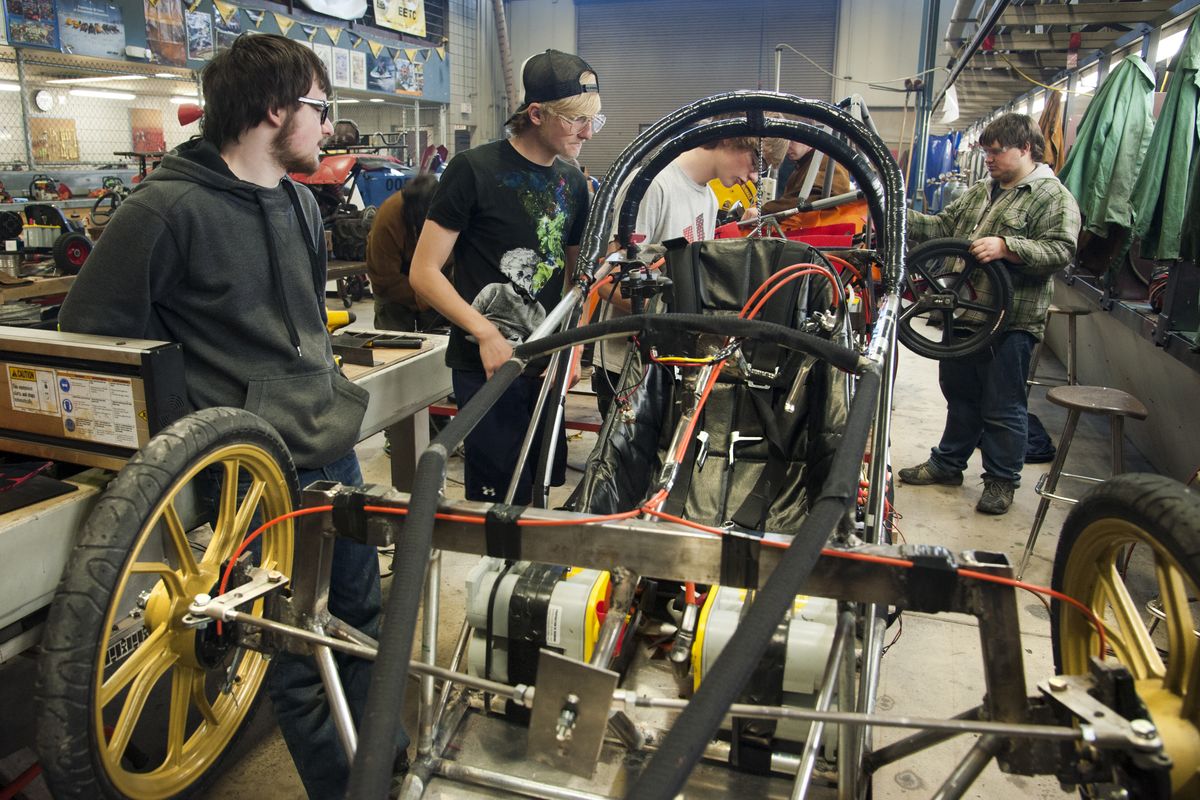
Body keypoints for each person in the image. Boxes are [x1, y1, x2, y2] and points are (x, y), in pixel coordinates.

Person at [58, 34, 400, 798]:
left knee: (362, 618)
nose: (327, 127)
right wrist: (186, 437)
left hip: (329, 446)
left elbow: (305, 321)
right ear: (274, 109)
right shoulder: (163, 211)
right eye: (319, 108)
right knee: (298, 647)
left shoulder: (296, 201)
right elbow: (91, 341)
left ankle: (389, 764)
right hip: (255, 475)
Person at [409, 49, 598, 503]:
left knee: (536, 495)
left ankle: (527, 575)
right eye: (575, 120)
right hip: (486, 365)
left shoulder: (573, 184)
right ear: (536, 113)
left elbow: (581, 280)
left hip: (548, 364)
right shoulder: (473, 170)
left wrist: (575, 348)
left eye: (595, 120)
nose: (588, 133)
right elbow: (424, 272)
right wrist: (486, 332)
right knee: (496, 501)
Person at [898, 113, 1081, 515]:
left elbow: (1062, 251)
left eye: (996, 152)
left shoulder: (1051, 196)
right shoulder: (983, 190)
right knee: (960, 396)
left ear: (1026, 149)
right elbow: (944, 226)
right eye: (986, 152)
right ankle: (948, 464)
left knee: (1002, 406)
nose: (989, 161)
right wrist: (897, 214)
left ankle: (1001, 482)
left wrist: (1007, 246)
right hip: (964, 314)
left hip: (1011, 321)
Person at [594, 132, 784, 417]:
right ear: (730, 139)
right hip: (628, 369)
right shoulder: (653, 184)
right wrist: (684, 316)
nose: (755, 177)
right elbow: (610, 284)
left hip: (672, 364)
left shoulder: (708, 198)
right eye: (756, 162)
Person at [366, 174, 448, 332]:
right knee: (393, 342)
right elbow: (384, 278)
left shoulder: (444, 211)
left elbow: (452, 264)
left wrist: (440, 295)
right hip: (393, 288)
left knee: (440, 340)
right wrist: (424, 297)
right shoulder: (388, 217)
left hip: (434, 283)